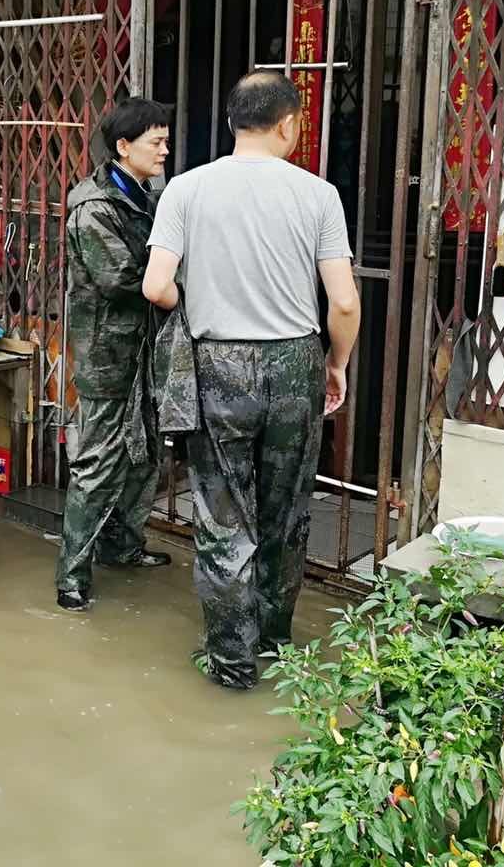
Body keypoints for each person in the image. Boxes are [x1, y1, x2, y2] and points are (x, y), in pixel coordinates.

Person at [142, 70, 361, 690]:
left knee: (222, 515)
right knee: (286, 511)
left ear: (235, 121)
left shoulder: (184, 190)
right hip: (295, 365)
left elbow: (156, 287)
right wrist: (336, 363)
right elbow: (343, 303)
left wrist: (200, 297)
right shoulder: (318, 195)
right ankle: (273, 643)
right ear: (290, 123)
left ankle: (231, 662)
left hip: (219, 366)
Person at [55, 97, 176, 612]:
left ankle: (123, 545)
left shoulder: (151, 192)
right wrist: (176, 283)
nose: (165, 151)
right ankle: (72, 575)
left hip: (145, 346)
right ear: (124, 147)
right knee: (99, 459)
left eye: (166, 141)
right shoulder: (93, 207)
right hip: (108, 349)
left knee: (145, 450)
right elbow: (121, 278)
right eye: (156, 142)